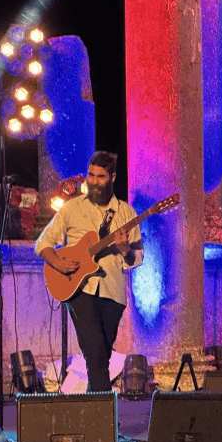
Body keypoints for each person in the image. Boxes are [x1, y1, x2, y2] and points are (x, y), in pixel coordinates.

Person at [36, 151, 144, 392]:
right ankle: (105, 417)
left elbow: (137, 257)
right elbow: (42, 243)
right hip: (78, 289)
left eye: (101, 177)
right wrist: (58, 263)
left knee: (101, 356)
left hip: (113, 292)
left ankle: (92, 405)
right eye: (91, 175)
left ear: (112, 177)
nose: (94, 182)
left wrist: (125, 249)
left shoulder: (126, 213)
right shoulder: (71, 209)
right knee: (96, 353)